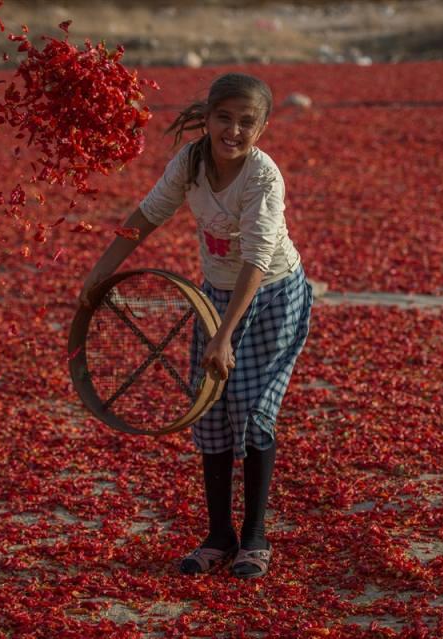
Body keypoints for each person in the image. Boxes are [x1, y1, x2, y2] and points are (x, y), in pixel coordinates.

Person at [79, 72, 312, 578]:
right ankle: (218, 535)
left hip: (270, 294)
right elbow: (146, 215)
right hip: (215, 295)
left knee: (249, 411)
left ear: (263, 129)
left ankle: (254, 538)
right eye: (223, 118)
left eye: (246, 123)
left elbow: (256, 258)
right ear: (206, 119)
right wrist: (103, 269)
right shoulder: (190, 162)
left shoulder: (263, 178)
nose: (233, 131)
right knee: (208, 412)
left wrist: (224, 336)